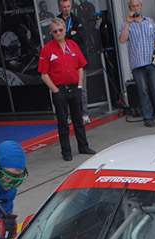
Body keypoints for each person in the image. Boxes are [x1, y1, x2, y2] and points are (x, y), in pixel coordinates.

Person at [40, 17, 96, 161]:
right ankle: (66, 151)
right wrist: (55, 91)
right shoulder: (47, 50)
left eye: (60, 30)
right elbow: (44, 75)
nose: (58, 33)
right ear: (51, 33)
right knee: (63, 123)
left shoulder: (73, 45)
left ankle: (83, 146)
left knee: (79, 120)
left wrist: (79, 86)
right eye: (55, 31)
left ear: (65, 30)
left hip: (74, 88)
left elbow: (80, 67)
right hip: (59, 90)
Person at [119, 0, 155, 128]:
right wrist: (127, 22)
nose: (136, 8)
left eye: (138, 6)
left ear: (141, 7)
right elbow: (122, 39)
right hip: (138, 64)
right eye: (133, 6)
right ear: (130, 8)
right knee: (143, 91)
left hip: (152, 62)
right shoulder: (127, 25)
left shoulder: (149, 21)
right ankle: (148, 118)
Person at [58, 0, 92, 124]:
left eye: (68, 7)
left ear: (71, 7)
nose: (66, 9)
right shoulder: (57, 21)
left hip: (77, 61)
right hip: (63, 61)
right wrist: (69, 36)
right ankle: (68, 116)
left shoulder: (77, 20)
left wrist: (67, 38)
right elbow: (56, 39)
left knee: (81, 88)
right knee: (65, 89)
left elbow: (81, 37)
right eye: (64, 7)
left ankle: (84, 113)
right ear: (60, 7)